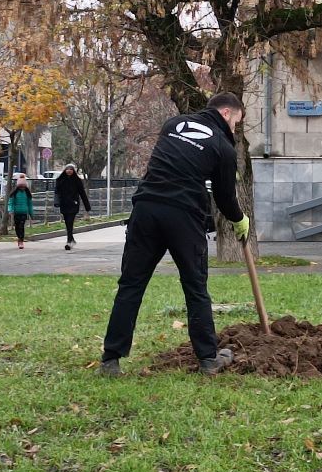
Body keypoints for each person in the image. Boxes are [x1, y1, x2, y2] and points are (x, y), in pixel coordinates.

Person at [100, 92, 250, 377]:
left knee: (131, 285)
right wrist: (239, 219)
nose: (235, 129)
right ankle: (208, 360)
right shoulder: (223, 146)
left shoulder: (173, 124)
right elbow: (224, 197)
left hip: (145, 209)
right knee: (195, 288)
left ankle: (111, 359)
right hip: (183, 216)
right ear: (227, 113)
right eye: (237, 123)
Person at [54, 163, 91, 250]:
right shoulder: (60, 180)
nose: (69, 171)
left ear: (73, 171)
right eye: (67, 169)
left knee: (70, 221)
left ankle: (69, 241)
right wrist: (56, 202)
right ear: (65, 170)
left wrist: (87, 206)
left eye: (71, 169)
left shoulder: (77, 181)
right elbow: (57, 192)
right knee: (67, 223)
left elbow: (82, 193)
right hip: (64, 204)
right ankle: (71, 239)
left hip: (73, 204)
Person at [7, 174, 35, 248]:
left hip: (24, 212)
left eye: (23, 186)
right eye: (21, 186)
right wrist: (10, 210)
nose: (22, 187)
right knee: (17, 226)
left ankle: (21, 240)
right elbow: (11, 203)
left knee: (21, 226)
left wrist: (31, 213)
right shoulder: (14, 193)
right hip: (16, 212)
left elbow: (30, 204)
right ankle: (19, 237)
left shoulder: (27, 194)